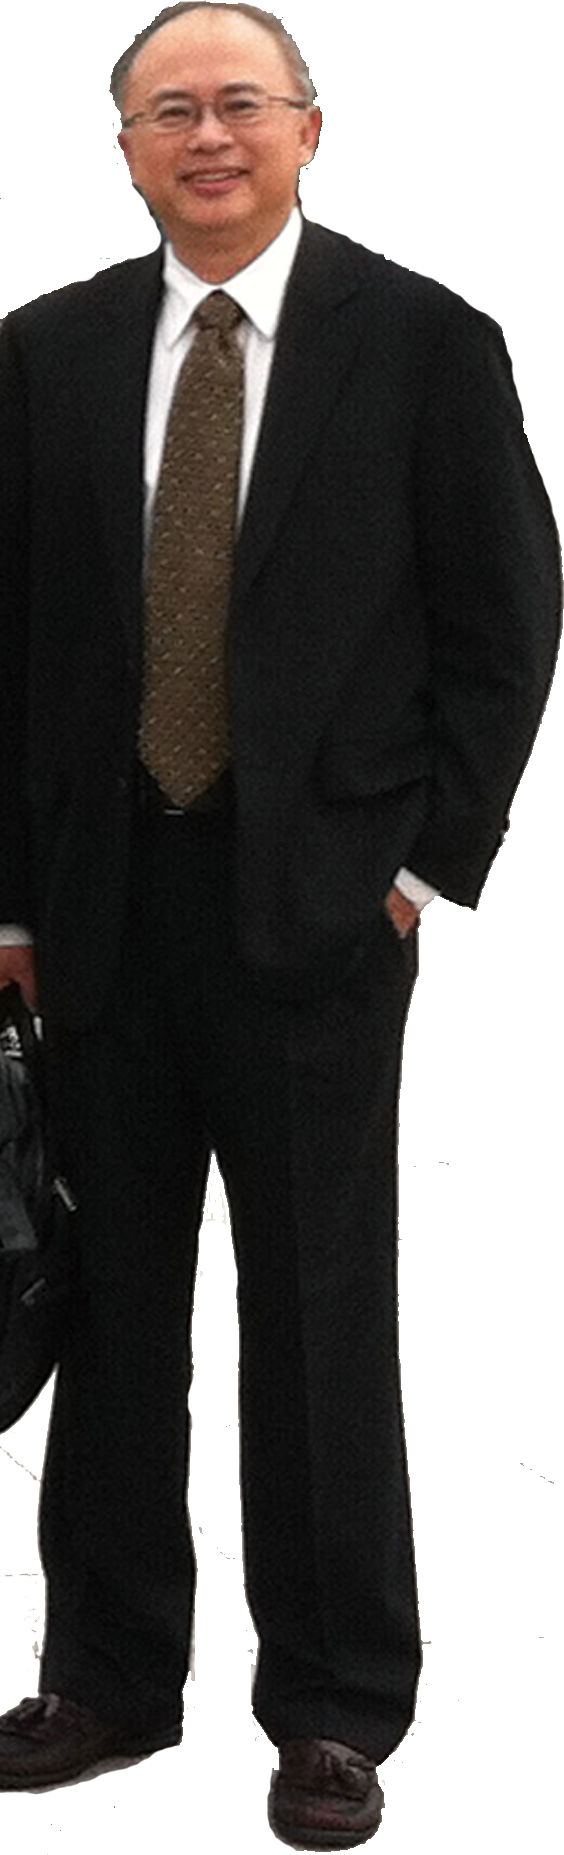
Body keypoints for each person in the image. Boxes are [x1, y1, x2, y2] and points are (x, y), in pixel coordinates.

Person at [0, 0, 560, 1840]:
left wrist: (422, 868)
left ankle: (332, 1708)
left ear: (311, 128)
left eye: (241, 102)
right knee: (112, 1306)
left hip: (319, 912)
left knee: (319, 1312)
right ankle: (104, 1678)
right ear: (126, 151)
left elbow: (506, 619)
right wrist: (6, 899)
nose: (208, 135)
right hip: (97, 911)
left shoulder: (423, 342)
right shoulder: (45, 355)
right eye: (169, 111)